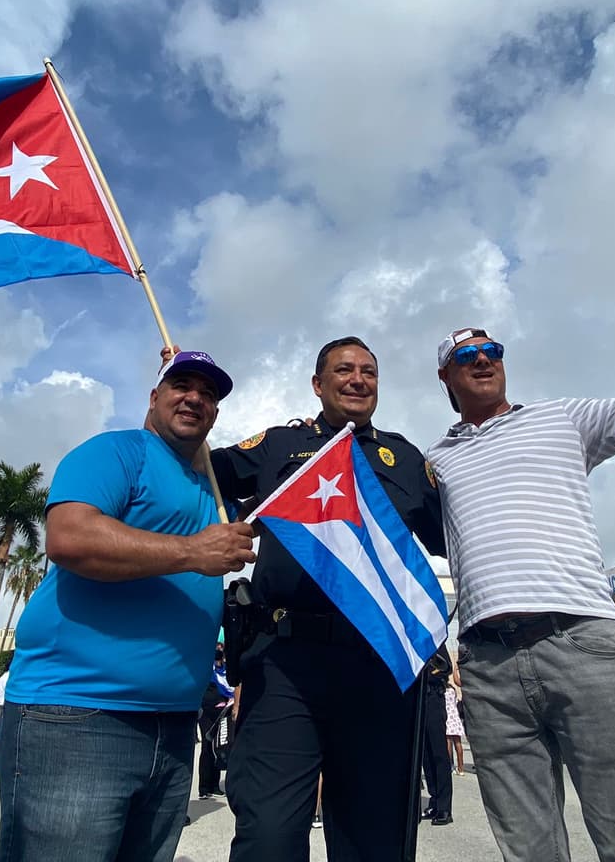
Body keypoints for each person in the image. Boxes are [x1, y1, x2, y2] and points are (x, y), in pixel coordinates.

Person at [425, 247, 615, 862]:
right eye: (465, 358)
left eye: (491, 352)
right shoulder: (435, 464)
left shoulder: (565, 419)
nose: (482, 361)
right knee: (528, 849)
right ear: (446, 380)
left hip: (580, 642)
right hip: (487, 663)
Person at [0, 350, 254, 862]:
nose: (196, 397)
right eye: (182, 384)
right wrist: (192, 552)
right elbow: (70, 538)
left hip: (175, 727)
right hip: (77, 714)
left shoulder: (214, 486)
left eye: (209, 394)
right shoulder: (117, 452)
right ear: (153, 397)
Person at [208, 336, 445, 862]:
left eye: (368, 371)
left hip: (379, 663)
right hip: (285, 666)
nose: (358, 379)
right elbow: (203, 470)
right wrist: (187, 389)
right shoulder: (276, 447)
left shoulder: (405, 458)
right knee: (267, 837)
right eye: (343, 370)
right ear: (318, 385)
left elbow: (456, 537)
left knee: (376, 839)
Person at [420, 644, 454, 826]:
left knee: (439, 754)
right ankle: (434, 800)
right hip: (419, 701)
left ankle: (444, 807)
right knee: (425, 754)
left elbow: (446, 667)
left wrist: (426, 673)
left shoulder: (434, 642)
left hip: (433, 697)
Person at [197, 645, 233, 800]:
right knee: (207, 746)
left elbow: (230, 688)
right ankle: (204, 787)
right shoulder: (206, 670)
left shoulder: (225, 671)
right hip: (207, 713)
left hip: (222, 714)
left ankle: (214, 785)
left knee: (219, 747)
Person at [445, 666, 466, 776]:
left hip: (447, 717)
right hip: (455, 717)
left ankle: (449, 766)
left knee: (447, 742)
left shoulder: (442, 691)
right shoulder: (452, 689)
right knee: (458, 743)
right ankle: (461, 768)